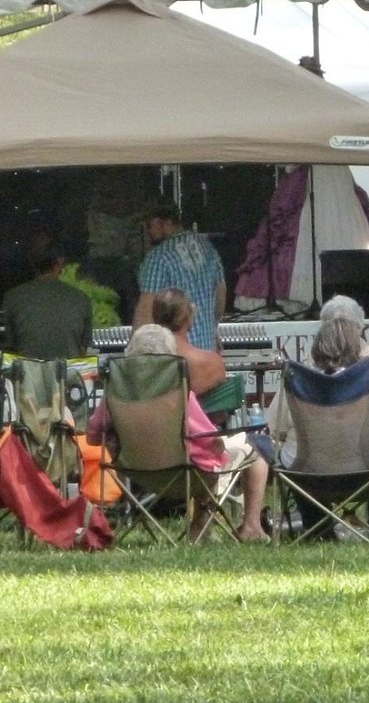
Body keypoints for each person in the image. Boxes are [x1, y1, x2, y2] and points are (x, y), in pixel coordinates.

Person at [87, 324, 270, 543]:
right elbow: (210, 440)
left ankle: (206, 528)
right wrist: (222, 445)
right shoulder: (177, 391)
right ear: (169, 358)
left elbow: (92, 437)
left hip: (135, 472)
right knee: (251, 451)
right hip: (185, 474)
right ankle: (226, 527)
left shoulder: (114, 394)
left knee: (209, 461)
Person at [267, 316, 369, 483]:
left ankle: (313, 509)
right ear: (356, 349)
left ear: (316, 349)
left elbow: (276, 428)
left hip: (307, 475)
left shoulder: (294, 382)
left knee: (290, 463)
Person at [133, 198, 226, 352]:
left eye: (150, 225)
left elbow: (145, 315)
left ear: (166, 222)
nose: (148, 232)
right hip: (207, 352)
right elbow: (221, 294)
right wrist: (212, 328)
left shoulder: (157, 258)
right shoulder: (207, 247)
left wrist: (135, 354)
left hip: (175, 358)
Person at [2, 242, 92, 360]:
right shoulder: (81, 298)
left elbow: (9, 348)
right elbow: (84, 349)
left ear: (31, 263)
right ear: (60, 262)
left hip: (29, 374)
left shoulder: (12, 297)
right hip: (67, 373)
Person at [152, 288, 227, 397]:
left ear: (155, 318)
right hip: (198, 413)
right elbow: (221, 409)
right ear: (188, 316)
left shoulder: (146, 364)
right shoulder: (212, 362)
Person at [320, 293, 369, 375]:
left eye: (344, 328)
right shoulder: (321, 360)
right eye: (332, 329)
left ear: (359, 328)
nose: (339, 334)